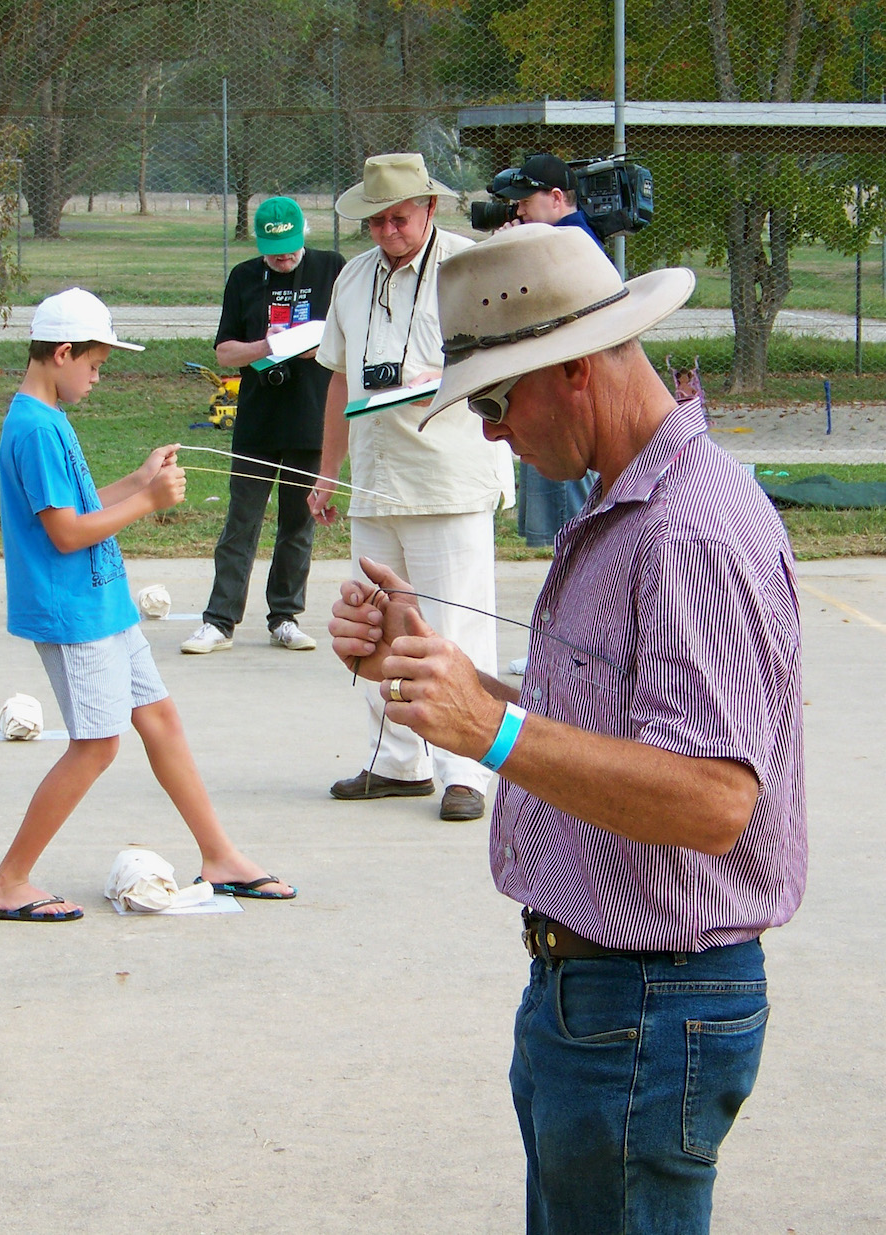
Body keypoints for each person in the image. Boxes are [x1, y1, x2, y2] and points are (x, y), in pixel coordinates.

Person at [327, 225, 806, 1233]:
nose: (494, 434)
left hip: (647, 1004)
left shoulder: (686, 531)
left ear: (576, 369)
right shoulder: (626, 508)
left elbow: (714, 796)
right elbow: (606, 723)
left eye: (498, 400)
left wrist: (494, 729)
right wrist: (430, 669)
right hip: (600, 997)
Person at [0, 287, 296, 922]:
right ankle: (8, 883)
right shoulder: (34, 427)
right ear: (62, 353)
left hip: (104, 603)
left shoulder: (48, 417)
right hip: (73, 612)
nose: (96, 377)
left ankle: (220, 856)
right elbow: (65, 533)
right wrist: (150, 503)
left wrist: (140, 481)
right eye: (93, 366)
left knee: (160, 719)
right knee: (96, 745)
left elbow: (77, 502)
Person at [309, 152, 505, 823]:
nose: (388, 230)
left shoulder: (469, 266)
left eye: (400, 217)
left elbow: (500, 366)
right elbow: (338, 376)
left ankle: (467, 769)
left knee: (457, 626)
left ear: (429, 208)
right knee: (375, 622)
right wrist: (327, 468)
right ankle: (396, 760)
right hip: (377, 476)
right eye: (376, 220)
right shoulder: (353, 278)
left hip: (450, 477)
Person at [181, 197, 345, 654]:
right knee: (241, 522)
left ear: (304, 235)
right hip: (258, 420)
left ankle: (285, 617)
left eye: (291, 249)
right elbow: (224, 353)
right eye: (275, 251)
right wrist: (263, 347)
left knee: (298, 523)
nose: (284, 258)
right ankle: (219, 620)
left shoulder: (332, 268)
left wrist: (321, 346)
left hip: (310, 417)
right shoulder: (245, 277)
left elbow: (354, 332)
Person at [501, 153, 599, 548]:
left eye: (526, 202)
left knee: (572, 531)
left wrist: (512, 253)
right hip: (557, 394)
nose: (519, 211)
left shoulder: (569, 243)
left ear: (557, 198)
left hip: (565, 399)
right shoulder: (557, 239)